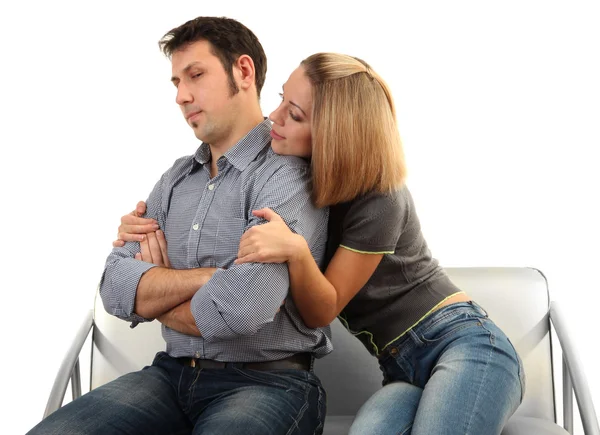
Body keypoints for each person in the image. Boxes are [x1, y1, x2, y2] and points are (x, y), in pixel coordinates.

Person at [117, 52, 526, 434]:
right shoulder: (298, 183)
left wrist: (295, 251)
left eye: (293, 115)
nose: (273, 118)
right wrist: (142, 231)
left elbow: (322, 309)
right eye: (281, 101)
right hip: (400, 368)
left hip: (463, 344)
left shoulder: (380, 197)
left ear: (334, 132)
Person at [28, 16, 332, 435]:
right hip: (169, 377)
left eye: (196, 75)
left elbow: (242, 310)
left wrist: (154, 293)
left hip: (269, 382)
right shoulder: (174, 181)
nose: (181, 96)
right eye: (175, 82)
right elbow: (115, 287)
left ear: (243, 72)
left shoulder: (286, 175)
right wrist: (211, 278)